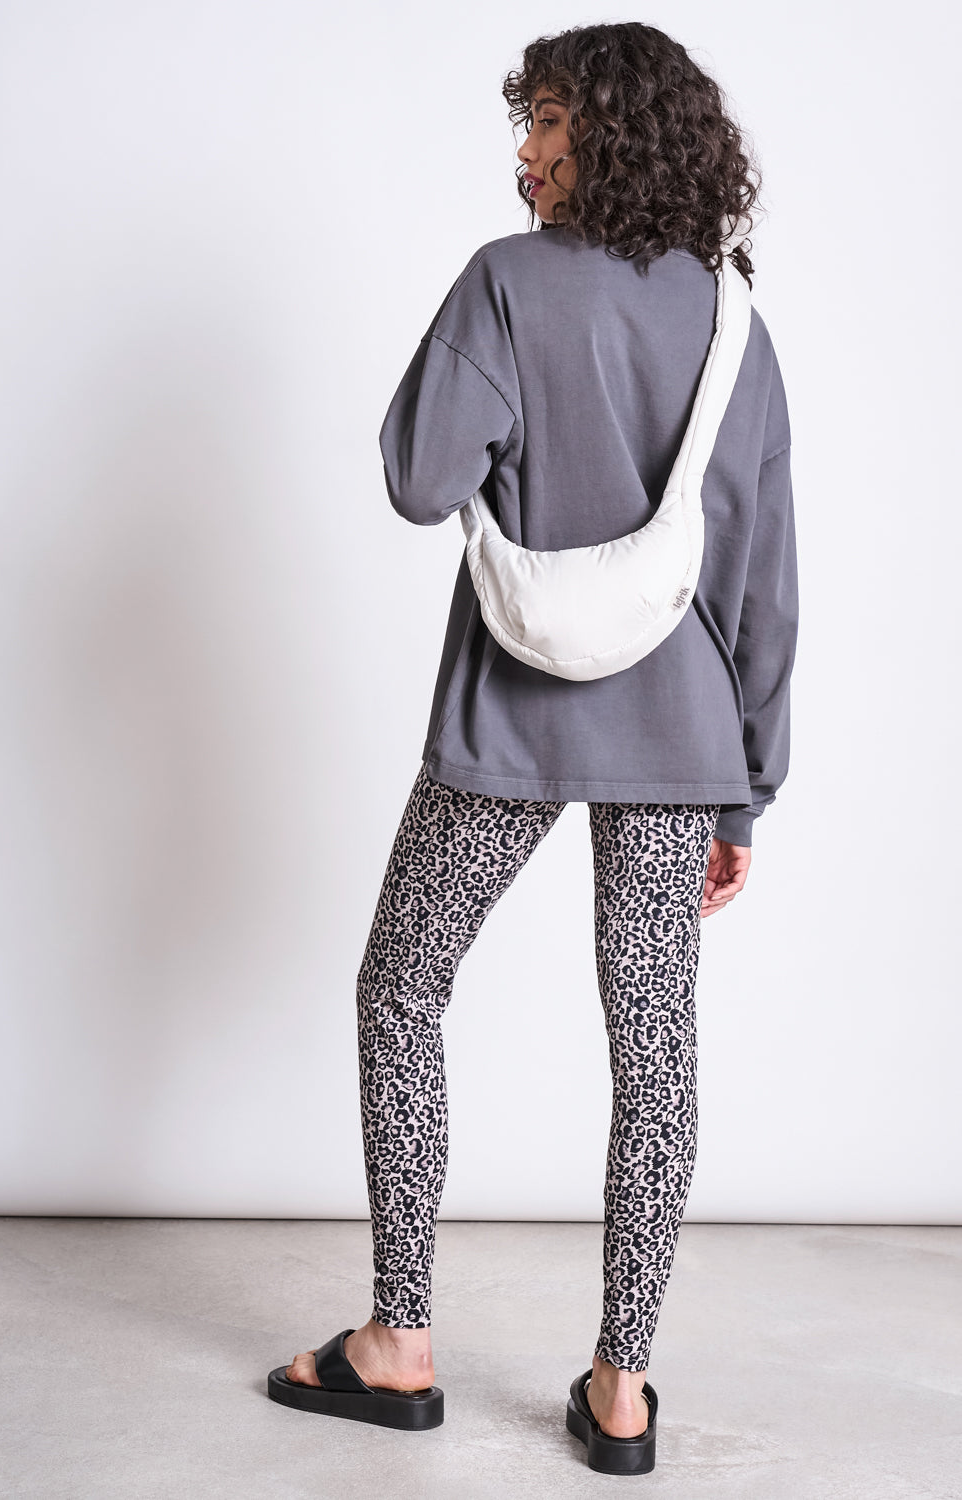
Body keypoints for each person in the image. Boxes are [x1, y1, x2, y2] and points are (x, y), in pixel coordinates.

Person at [267, 21, 798, 1476]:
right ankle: (623, 1389)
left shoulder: (505, 286)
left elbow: (417, 477)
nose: (525, 154)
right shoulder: (732, 318)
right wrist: (747, 785)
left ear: (605, 135)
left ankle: (399, 1341)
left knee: (401, 988)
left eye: (547, 124)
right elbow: (759, 574)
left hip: (510, 715)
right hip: (684, 742)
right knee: (657, 1052)